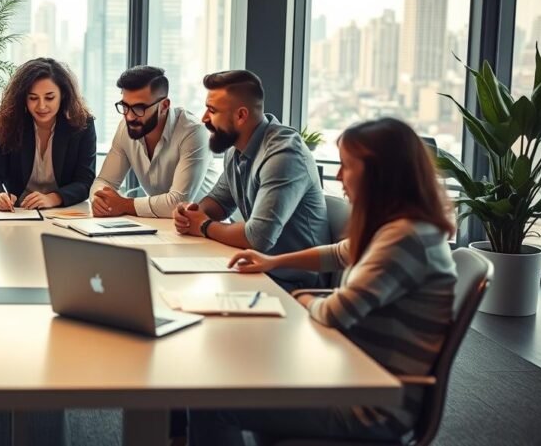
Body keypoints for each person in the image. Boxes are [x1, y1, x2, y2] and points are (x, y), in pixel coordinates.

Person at [189, 117, 457, 445]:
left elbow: (333, 313)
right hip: (352, 373)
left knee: (209, 400)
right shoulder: (400, 227)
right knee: (225, 373)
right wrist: (274, 261)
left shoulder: (406, 239)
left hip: (370, 404)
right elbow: (340, 252)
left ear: (378, 174)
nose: (339, 176)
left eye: (347, 166)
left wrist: (298, 298)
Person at [173, 70, 329, 290]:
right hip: (258, 270)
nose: (204, 119)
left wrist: (204, 225)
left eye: (212, 110)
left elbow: (258, 237)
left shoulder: (284, 154)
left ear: (241, 116)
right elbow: (218, 201)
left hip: (295, 284)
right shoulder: (236, 149)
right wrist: (191, 213)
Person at [90, 65, 215, 218]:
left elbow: (178, 202)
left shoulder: (193, 132)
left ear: (164, 106)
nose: (129, 116)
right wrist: (99, 200)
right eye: (125, 106)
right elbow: (104, 181)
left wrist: (123, 204)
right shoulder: (126, 128)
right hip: (159, 226)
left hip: (203, 230)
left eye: (139, 108)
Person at [0, 58, 96, 210]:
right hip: (19, 212)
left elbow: (85, 182)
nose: (41, 106)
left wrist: (53, 198)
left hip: (64, 212)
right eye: (33, 98)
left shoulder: (82, 125)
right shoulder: (11, 123)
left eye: (49, 97)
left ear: (63, 95)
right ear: (23, 99)